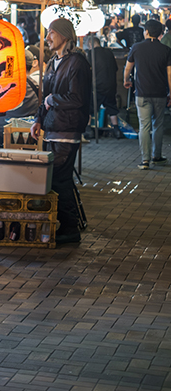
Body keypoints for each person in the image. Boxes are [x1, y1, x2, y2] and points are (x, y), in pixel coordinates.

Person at [30, 18, 92, 244]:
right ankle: (68, 225)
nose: (47, 38)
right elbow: (45, 96)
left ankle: (70, 228)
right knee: (57, 178)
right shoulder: (52, 63)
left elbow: (77, 99)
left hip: (67, 129)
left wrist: (51, 100)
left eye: (51, 33)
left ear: (64, 35)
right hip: (52, 128)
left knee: (59, 179)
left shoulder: (77, 63)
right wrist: (38, 119)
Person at [123, 19, 171, 169]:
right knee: (158, 125)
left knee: (144, 125)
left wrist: (126, 80)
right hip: (160, 93)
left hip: (142, 93)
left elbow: (128, 68)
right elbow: (170, 73)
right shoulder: (166, 50)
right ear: (160, 33)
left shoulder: (136, 47)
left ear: (147, 32)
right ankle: (157, 156)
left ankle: (145, 160)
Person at [87, 36, 122, 138]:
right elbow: (115, 68)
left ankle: (88, 129)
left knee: (90, 108)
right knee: (112, 107)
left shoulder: (91, 53)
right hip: (111, 85)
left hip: (97, 86)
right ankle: (116, 130)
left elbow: (88, 70)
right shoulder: (109, 52)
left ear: (90, 44)